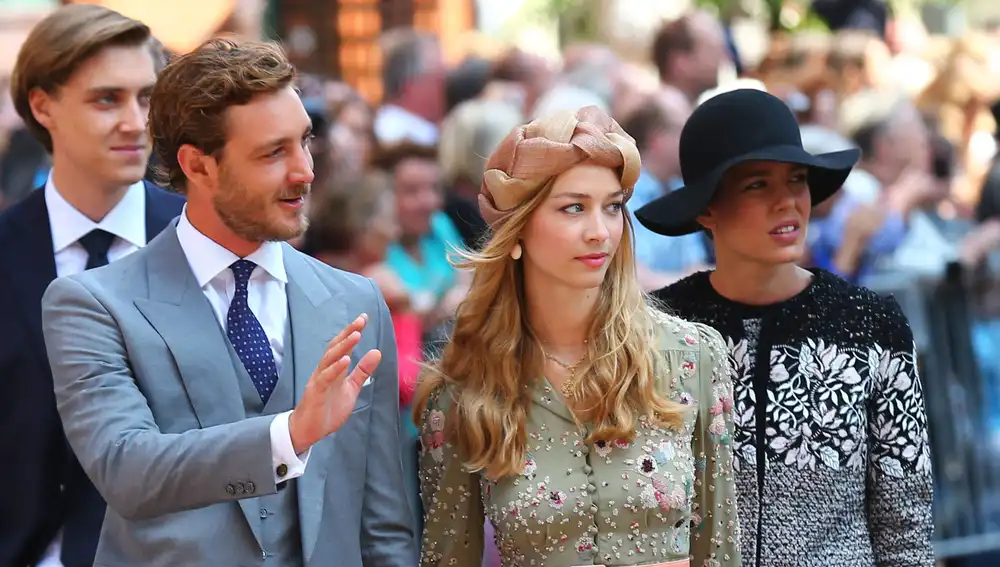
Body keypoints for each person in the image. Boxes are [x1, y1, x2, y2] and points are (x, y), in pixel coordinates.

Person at [38, 39, 416, 566]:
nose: (304, 171)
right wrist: (288, 435)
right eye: (272, 153)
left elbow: (384, 526)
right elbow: (127, 471)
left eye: (304, 142)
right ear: (198, 165)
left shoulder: (356, 300)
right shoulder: (92, 304)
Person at [412, 106, 742, 567]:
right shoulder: (462, 389)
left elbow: (719, 548)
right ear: (519, 227)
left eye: (612, 208)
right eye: (573, 208)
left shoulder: (691, 356)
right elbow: (447, 558)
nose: (599, 232)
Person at [635, 88, 934, 567]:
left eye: (796, 180)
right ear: (706, 209)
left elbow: (906, 525)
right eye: (757, 185)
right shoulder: (657, 329)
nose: (787, 202)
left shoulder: (872, 324)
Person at [0, 6, 183, 567]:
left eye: (146, 98)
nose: (134, 121)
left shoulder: (211, 238)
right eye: (107, 99)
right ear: (42, 105)